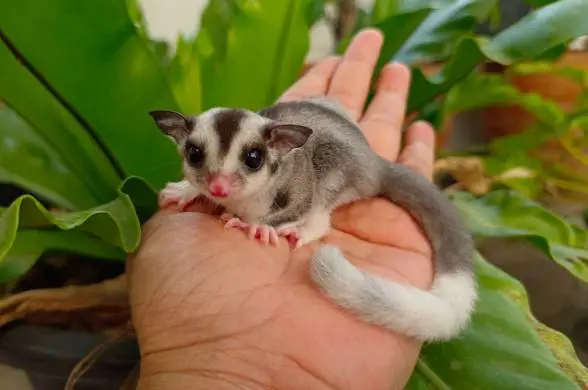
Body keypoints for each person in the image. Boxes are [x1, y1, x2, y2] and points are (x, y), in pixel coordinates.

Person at [127, 28, 437, 390]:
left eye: (252, 159)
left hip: (349, 168)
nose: (219, 187)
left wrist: (268, 222)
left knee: (320, 177)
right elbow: (220, 180)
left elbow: (299, 198)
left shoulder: (288, 165)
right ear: (178, 137)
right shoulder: (230, 171)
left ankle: (316, 226)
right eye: (196, 157)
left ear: (280, 146)